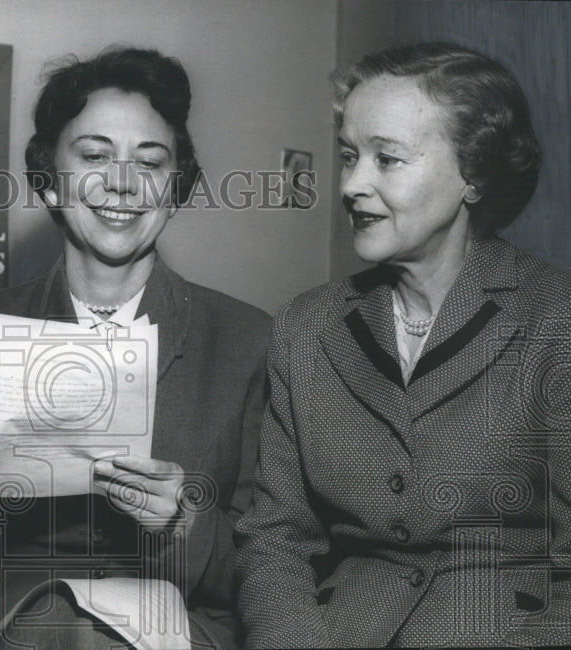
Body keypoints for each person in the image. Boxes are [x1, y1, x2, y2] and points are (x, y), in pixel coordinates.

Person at [0, 47, 270, 648]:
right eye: (94, 155)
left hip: (174, 627)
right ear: (47, 180)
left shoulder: (248, 340)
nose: (121, 182)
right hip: (8, 627)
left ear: (175, 190)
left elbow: (268, 568)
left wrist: (182, 521)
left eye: (149, 162)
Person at [234, 41, 571, 647]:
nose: (353, 185)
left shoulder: (556, 319)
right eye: (349, 155)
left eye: (387, 159)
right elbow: (273, 540)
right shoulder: (305, 327)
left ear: (474, 173)